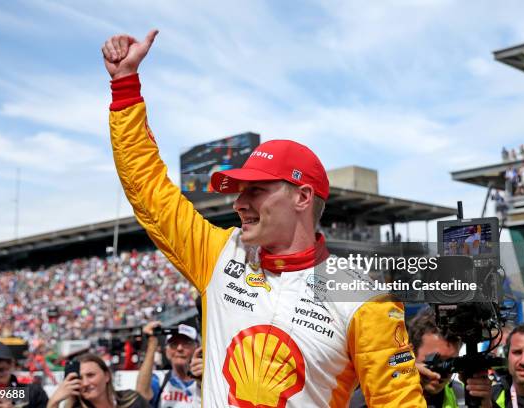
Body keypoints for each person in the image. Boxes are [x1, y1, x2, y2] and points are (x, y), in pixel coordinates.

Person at [103, 30, 425, 406]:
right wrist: (125, 86)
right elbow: (148, 190)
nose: (239, 203)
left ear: (302, 197)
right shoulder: (220, 253)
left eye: (255, 190)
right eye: (240, 191)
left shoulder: (362, 296)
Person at [408, 308, 492, 408]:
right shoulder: (390, 391)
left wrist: (486, 404)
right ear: (411, 352)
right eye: (435, 360)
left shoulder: (460, 395)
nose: (441, 374)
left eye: (450, 362)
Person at [47, 353, 148, 408]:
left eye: (90, 375)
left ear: (107, 376)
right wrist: (53, 402)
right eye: (80, 378)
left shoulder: (132, 400)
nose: (85, 383)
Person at [136, 322, 200, 407]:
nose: (179, 348)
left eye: (186, 343)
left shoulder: (208, 381)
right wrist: (152, 344)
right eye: (174, 344)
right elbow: (141, 395)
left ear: (197, 348)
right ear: (166, 351)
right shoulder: (160, 379)